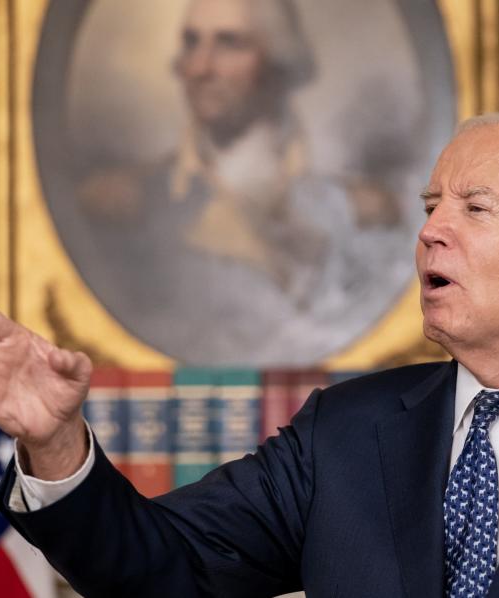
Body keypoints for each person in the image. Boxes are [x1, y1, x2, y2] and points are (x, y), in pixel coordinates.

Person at [0, 110, 499, 597]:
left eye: (476, 207)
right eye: (433, 203)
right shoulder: (344, 433)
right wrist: (55, 443)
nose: (432, 228)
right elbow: (161, 569)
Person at [73, 0, 415, 366]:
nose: (201, 67)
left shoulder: (360, 211)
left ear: (277, 66)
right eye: (191, 42)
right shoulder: (122, 204)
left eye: (229, 44)